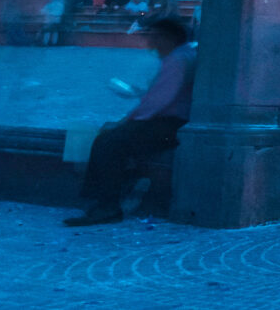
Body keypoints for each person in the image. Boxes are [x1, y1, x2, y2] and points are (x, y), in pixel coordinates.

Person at [66, 17, 196, 226]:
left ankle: (106, 205)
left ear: (167, 38)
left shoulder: (177, 60)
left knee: (107, 143)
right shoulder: (184, 55)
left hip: (169, 123)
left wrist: (128, 120)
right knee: (111, 139)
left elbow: (158, 102)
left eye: (154, 38)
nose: (151, 44)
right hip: (173, 120)